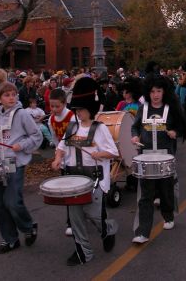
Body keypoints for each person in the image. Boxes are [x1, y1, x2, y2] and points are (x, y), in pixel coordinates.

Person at [51, 77, 118, 266]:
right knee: (75, 217)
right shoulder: (72, 128)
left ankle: (107, 229)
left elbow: (113, 152)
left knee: (94, 214)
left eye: (82, 110)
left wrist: (100, 153)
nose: (78, 113)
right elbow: (62, 147)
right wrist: (57, 159)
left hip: (95, 179)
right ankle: (83, 252)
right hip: (73, 178)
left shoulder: (100, 129)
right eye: (77, 110)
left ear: (91, 109)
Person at [0, 81, 43, 254]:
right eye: (6, 95)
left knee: (12, 202)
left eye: (13, 94)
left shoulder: (22, 114)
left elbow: (37, 135)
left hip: (15, 163)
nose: (11, 98)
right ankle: (10, 239)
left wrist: (22, 145)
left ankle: (28, 227)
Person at [131, 75, 186, 244]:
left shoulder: (171, 108)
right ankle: (143, 232)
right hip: (146, 157)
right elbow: (135, 126)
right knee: (146, 196)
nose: (155, 95)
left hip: (165, 156)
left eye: (159, 91)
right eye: (152, 91)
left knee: (166, 191)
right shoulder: (143, 108)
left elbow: (181, 127)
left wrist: (174, 133)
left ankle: (168, 216)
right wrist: (134, 137)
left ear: (164, 92)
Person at [48, 88, 75, 236]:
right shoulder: (51, 120)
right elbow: (55, 139)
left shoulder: (71, 116)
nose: (54, 109)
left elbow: (71, 138)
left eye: (57, 106)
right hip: (63, 158)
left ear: (64, 103)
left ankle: (77, 218)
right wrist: (58, 155)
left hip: (74, 156)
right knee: (67, 190)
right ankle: (70, 221)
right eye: (52, 106)